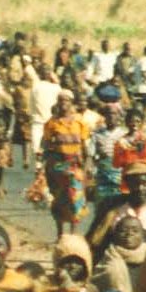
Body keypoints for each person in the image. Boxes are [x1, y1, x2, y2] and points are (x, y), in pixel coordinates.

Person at [40, 96, 90, 236]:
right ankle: (60, 234)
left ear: (71, 103)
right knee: (59, 199)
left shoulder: (80, 122)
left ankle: (73, 234)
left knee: (75, 198)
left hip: (75, 165)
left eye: (66, 101)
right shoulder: (52, 123)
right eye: (61, 101)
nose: (63, 104)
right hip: (58, 165)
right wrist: (42, 166)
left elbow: (85, 145)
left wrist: (87, 164)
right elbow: (46, 144)